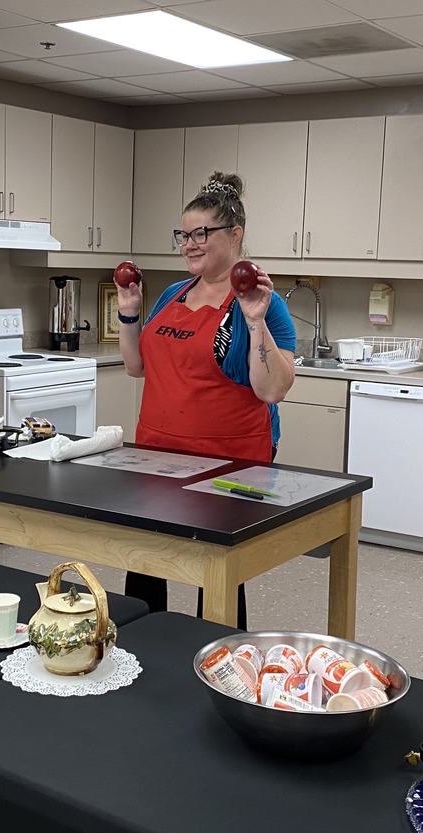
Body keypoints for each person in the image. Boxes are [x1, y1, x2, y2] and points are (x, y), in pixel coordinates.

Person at [116, 171, 297, 628]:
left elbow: (273, 388)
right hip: (158, 449)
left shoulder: (261, 300)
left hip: (228, 455)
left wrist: (255, 321)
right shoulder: (174, 293)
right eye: (184, 234)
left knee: (216, 571)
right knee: (146, 558)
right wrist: (129, 311)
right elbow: (137, 367)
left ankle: (220, 662)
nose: (190, 244)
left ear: (235, 235)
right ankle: (142, 647)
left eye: (202, 233)